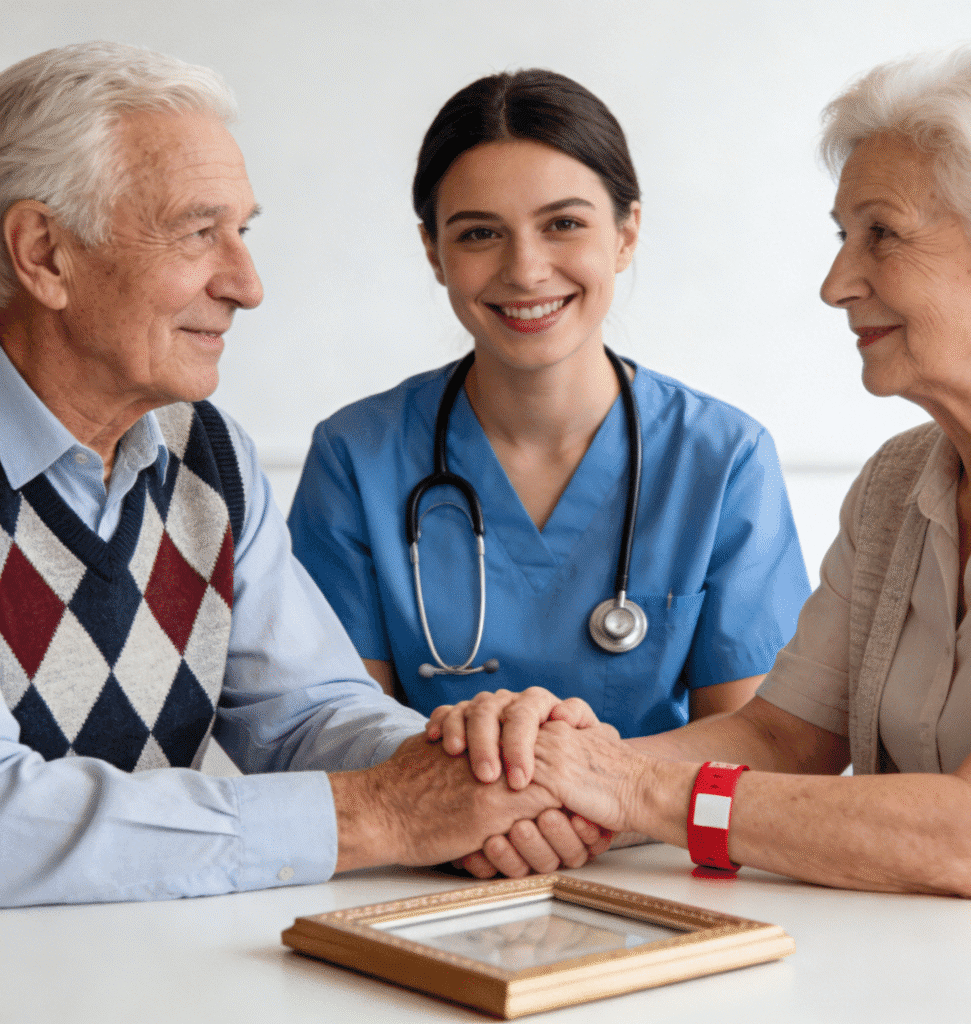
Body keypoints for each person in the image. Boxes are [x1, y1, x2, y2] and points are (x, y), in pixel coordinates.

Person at [440, 44, 971, 898]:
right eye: (844, 237)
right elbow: (785, 740)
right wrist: (553, 776)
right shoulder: (898, 485)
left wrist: (630, 790)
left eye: (883, 234)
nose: (836, 283)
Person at [0, 41, 569, 908]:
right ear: (43, 253)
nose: (247, 284)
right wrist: (380, 816)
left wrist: (475, 769)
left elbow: (307, 713)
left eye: (243, 231)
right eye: (198, 232)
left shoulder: (207, 454)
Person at [287, 70, 810, 748]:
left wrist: (588, 784)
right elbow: (332, 734)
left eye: (564, 224)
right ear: (433, 253)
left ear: (626, 234)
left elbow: (760, 746)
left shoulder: (721, 458)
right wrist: (480, 788)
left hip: (648, 821)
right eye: (480, 234)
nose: (526, 270)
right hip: (426, 818)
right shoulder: (357, 457)